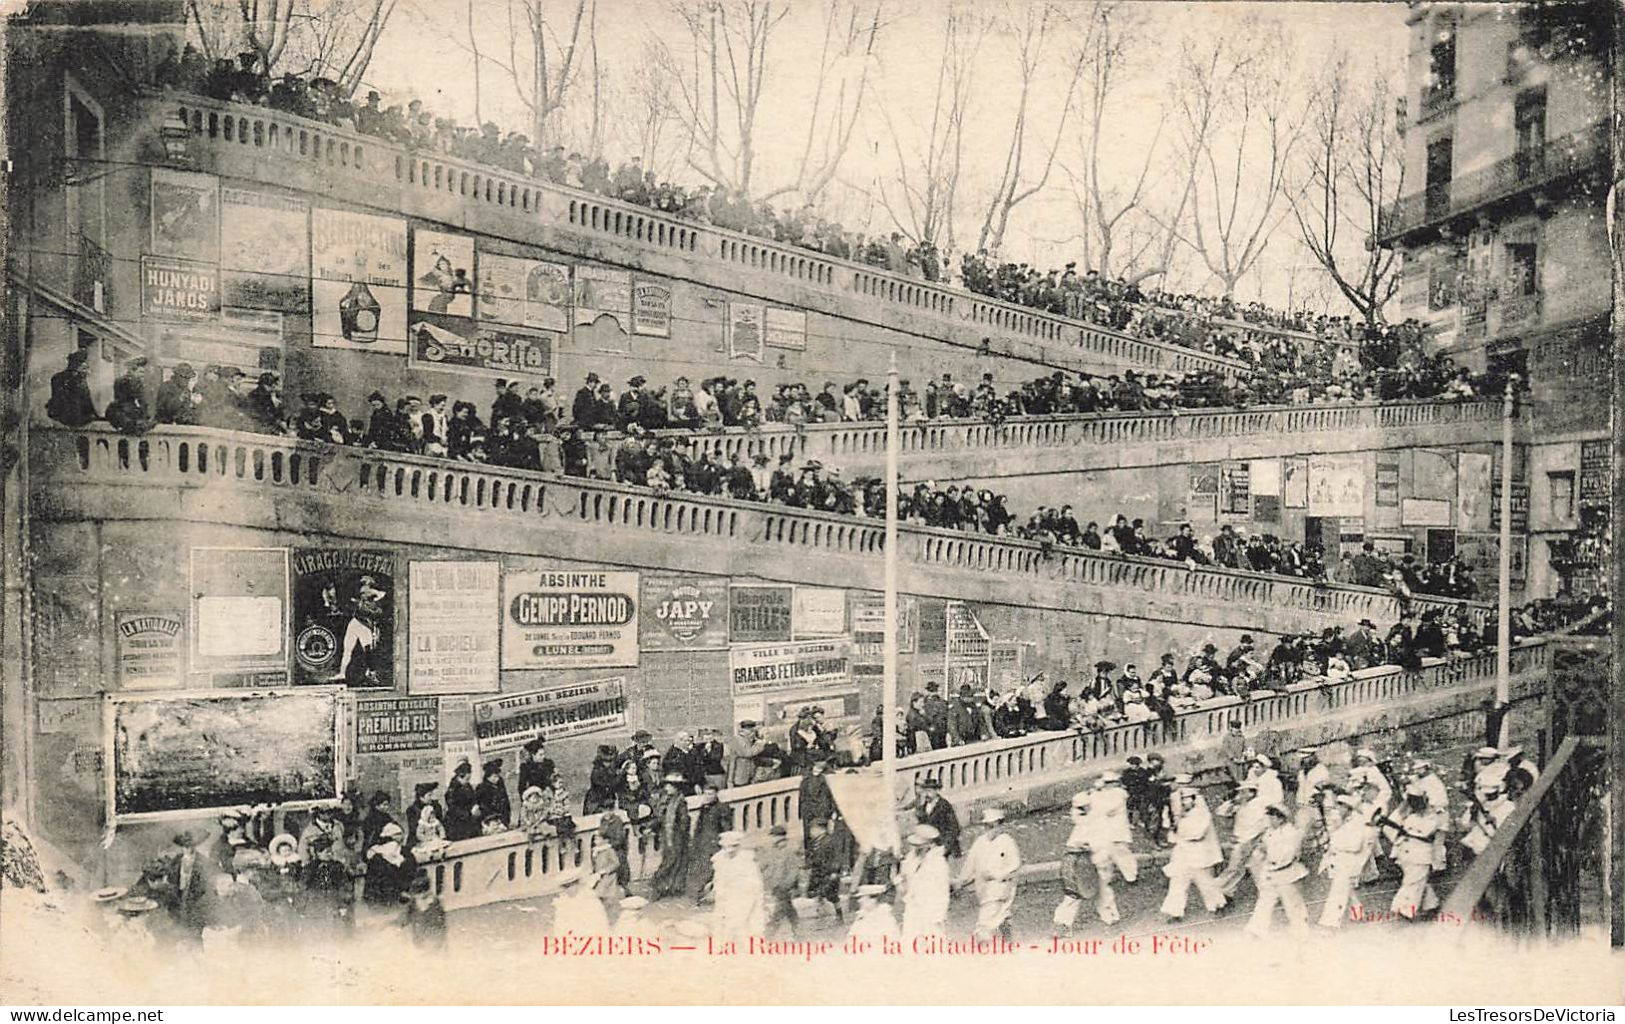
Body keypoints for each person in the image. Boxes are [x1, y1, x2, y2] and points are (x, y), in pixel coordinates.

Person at [1160, 787, 1228, 921]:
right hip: (1182, 855)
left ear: (1194, 800)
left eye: (1186, 800)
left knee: (1205, 882)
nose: (1184, 804)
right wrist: (1171, 820)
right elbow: (1170, 837)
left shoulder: (1202, 814)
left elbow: (1197, 834)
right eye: (1181, 801)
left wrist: (1178, 826)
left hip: (1199, 854)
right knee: (1177, 882)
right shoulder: (1178, 816)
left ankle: (1218, 905)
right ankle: (1175, 912)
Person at [956, 807, 1021, 941]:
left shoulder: (1007, 841)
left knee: (984, 923)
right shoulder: (980, 842)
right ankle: (1008, 937)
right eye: (987, 826)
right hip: (984, 889)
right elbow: (970, 864)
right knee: (1000, 916)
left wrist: (998, 875)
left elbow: (1014, 864)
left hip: (1000, 888)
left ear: (1000, 825)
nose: (990, 830)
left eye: (994, 826)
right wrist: (962, 880)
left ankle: (983, 951)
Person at [1245, 805, 1309, 938]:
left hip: (1286, 874)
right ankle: (1255, 930)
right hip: (1270, 873)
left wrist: (1266, 851)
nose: (1270, 820)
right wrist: (1260, 852)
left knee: (1293, 904)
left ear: (1281, 819)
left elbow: (1285, 856)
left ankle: (1301, 931)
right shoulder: (1270, 831)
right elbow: (1261, 851)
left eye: (1273, 817)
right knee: (1264, 901)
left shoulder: (1290, 833)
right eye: (1269, 816)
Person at [1318, 793, 1376, 929]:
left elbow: (1355, 845)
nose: (1337, 809)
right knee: (1348, 891)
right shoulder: (1341, 820)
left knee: (1338, 893)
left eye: (1340, 806)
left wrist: (1335, 844)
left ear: (1348, 808)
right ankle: (1358, 913)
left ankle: (1329, 923)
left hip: (1349, 862)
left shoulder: (1357, 823)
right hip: (1339, 860)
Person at [1384, 785, 1441, 921]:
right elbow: (1388, 828)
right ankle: (1431, 905)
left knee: (1411, 882)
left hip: (1420, 854)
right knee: (1417, 880)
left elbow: (1426, 831)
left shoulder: (1433, 815)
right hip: (1404, 853)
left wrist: (1405, 830)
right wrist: (1400, 812)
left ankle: (1405, 910)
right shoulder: (1407, 814)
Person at [709, 831, 766, 942]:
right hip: (725, 897)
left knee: (742, 924)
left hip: (743, 897)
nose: (729, 851)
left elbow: (754, 885)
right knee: (722, 923)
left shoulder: (746, 862)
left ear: (738, 846)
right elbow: (718, 879)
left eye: (733, 847)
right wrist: (717, 891)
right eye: (726, 847)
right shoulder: (720, 860)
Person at [899, 825, 950, 940]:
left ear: (930, 845)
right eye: (915, 846)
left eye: (920, 846)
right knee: (910, 940)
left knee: (934, 943)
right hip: (913, 906)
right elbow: (905, 877)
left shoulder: (938, 863)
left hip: (931, 909)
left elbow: (943, 891)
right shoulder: (912, 859)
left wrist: (939, 915)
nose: (916, 849)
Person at [649, 772, 692, 899]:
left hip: (676, 836)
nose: (666, 788)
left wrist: (681, 832)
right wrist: (651, 827)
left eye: (669, 786)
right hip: (668, 835)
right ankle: (662, 886)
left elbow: (684, 820)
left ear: (675, 787)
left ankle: (665, 886)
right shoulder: (667, 800)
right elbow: (661, 818)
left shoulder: (680, 801)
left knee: (674, 861)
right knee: (670, 861)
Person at [362, 822, 416, 910]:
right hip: (384, 891)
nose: (401, 836)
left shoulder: (377, 851)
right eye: (398, 834)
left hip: (385, 892)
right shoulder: (381, 852)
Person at [47, 348, 98, 426]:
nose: (85, 370)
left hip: (60, 416)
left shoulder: (57, 377)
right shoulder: (76, 379)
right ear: (77, 365)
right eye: (82, 367)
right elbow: (85, 398)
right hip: (73, 416)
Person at [913, 777, 962, 858]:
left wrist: (945, 848)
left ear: (936, 791)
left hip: (944, 848)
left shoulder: (944, 806)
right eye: (925, 791)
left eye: (929, 791)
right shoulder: (924, 806)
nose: (926, 794)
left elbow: (954, 828)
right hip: (930, 846)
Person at [444, 760, 480, 841]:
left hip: (470, 821)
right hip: (457, 825)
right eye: (467, 779)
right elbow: (453, 809)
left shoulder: (467, 786)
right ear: (460, 776)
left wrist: (475, 806)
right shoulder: (452, 791)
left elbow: (473, 798)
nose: (468, 781)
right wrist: (469, 813)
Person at [474, 759, 511, 831]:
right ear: (488, 777)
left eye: (497, 777)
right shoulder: (481, 788)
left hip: (503, 818)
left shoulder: (500, 785)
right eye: (494, 777)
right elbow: (482, 805)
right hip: (490, 820)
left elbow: (505, 801)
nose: (496, 779)